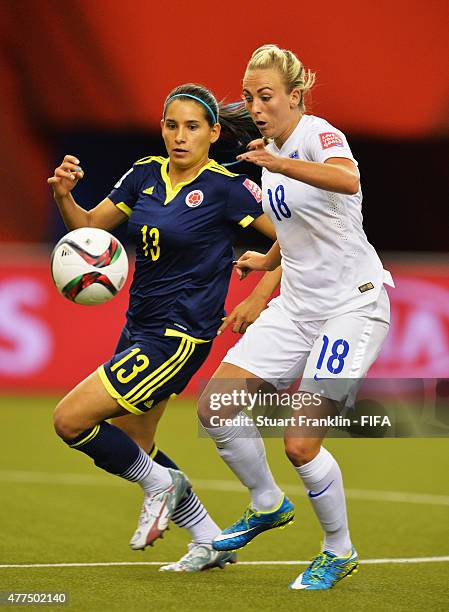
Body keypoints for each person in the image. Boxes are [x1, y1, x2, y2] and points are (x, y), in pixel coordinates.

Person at [48, 82, 281, 573]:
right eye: (172, 125)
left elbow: (298, 243)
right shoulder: (144, 175)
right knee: (137, 447)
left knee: (69, 421)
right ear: (161, 128)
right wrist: (64, 196)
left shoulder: (227, 189)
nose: (180, 136)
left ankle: (159, 486)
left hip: (178, 339)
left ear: (214, 133)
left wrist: (259, 295)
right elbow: (88, 227)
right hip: (138, 327)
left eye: (192, 127)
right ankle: (212, 541)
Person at [198, 45, 394, 590]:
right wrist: (266, 267)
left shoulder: (316, 134)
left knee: (300, 443)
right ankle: (266, 502)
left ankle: (339, 550)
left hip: (352, 305)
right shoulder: (273, 154)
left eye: (266, 97)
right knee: (217, 407)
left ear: (294, 96)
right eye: (248, 98)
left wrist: (278, 162)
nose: (256, 108)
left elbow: (346, 180)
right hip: (299, 305)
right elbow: (295, 229)